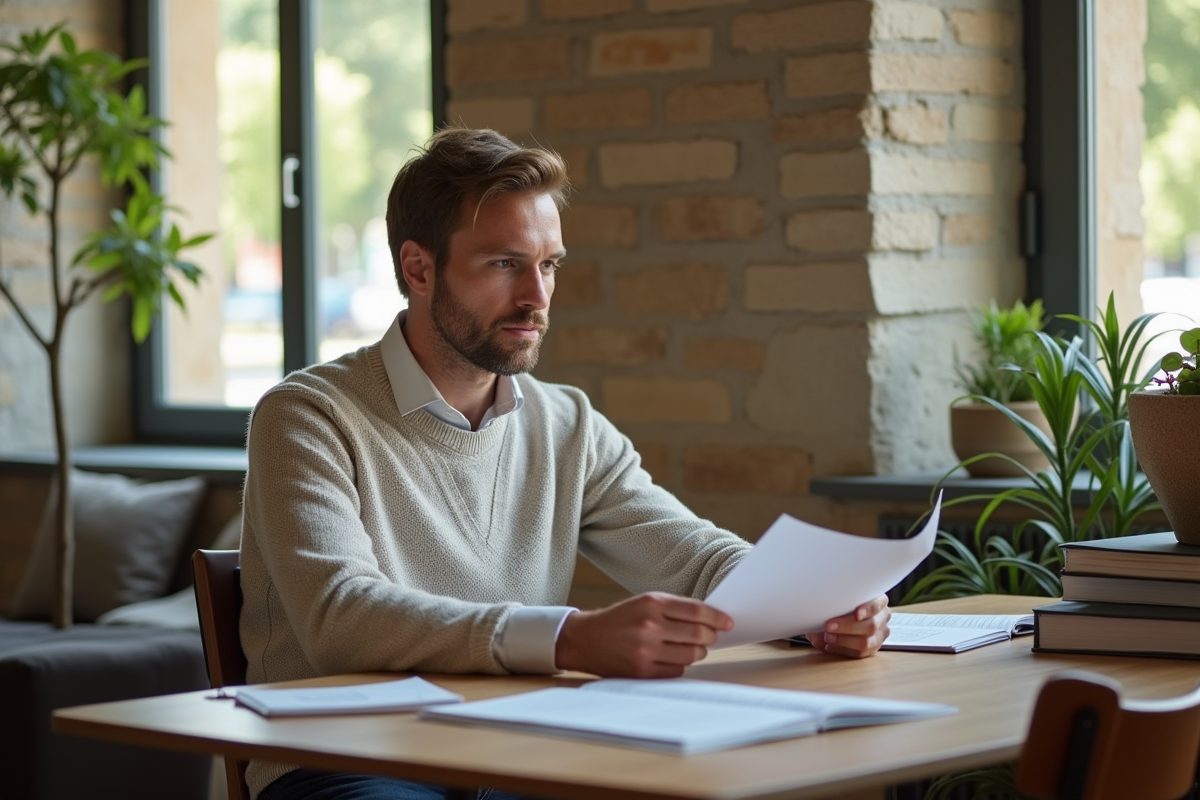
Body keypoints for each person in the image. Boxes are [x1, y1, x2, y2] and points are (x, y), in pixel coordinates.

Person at [239, 127, 891, 800]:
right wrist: (569, 640)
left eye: (548, 265)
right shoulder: (307, 415)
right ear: (418, 268)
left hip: (514, 750)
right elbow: (341, 619)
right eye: (503, 264)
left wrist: (811, 603)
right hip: (347, 760)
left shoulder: (566, 424)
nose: (537, 297)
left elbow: (691, 558)